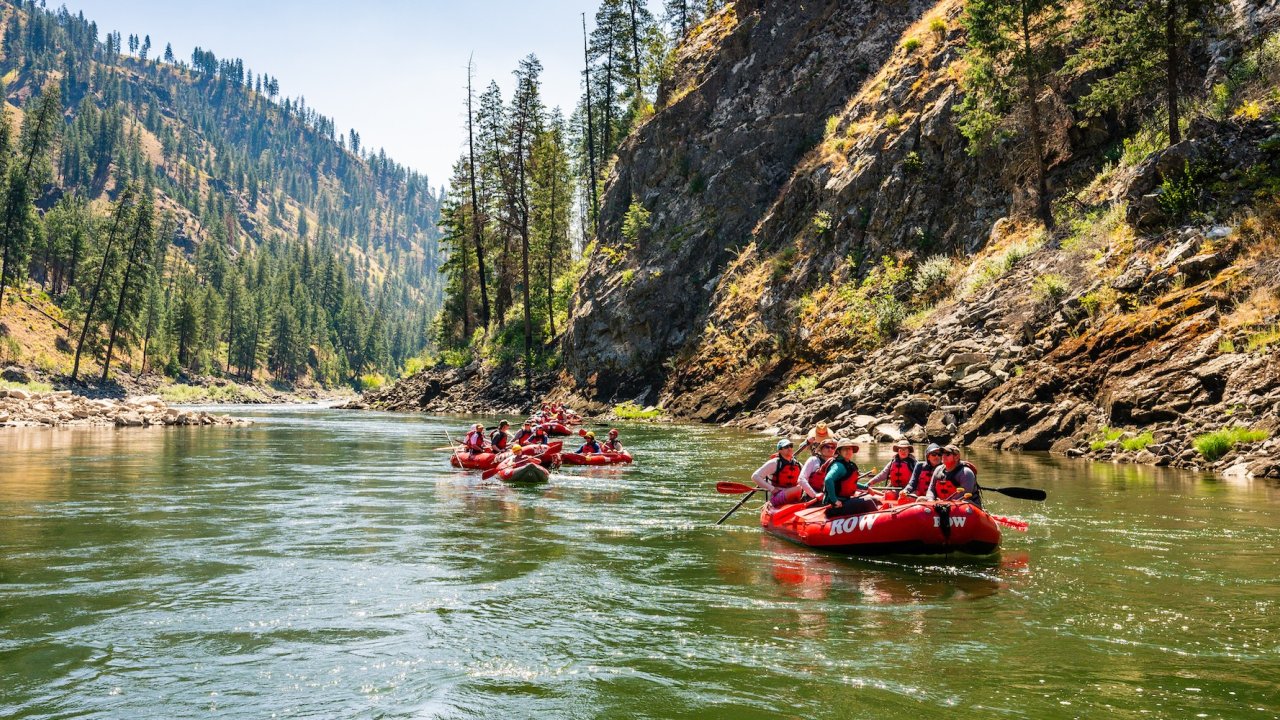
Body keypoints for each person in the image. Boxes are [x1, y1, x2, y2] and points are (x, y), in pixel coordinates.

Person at [823, 439, 878, 517]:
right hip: (836, 506)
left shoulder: (848, 464)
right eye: (845, 449)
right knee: (868, 501)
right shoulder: (838, 466)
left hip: (845, 500)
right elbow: (828, 479)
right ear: (839, 452)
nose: (848, 451)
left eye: (850, 449)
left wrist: (866, 488)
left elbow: (850, 483)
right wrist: (835, 500)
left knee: (875, 500)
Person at [750, 439, 806, 507]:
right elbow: (755, 476)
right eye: (786, 447)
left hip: (793, 496)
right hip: (777, 496)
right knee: (799, 488)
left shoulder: (798, 464)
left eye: (791, 446)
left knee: (804, 487)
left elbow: (805, 479)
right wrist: (772, 489)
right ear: (780, 450)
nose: (789, 448)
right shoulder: (774, 463)